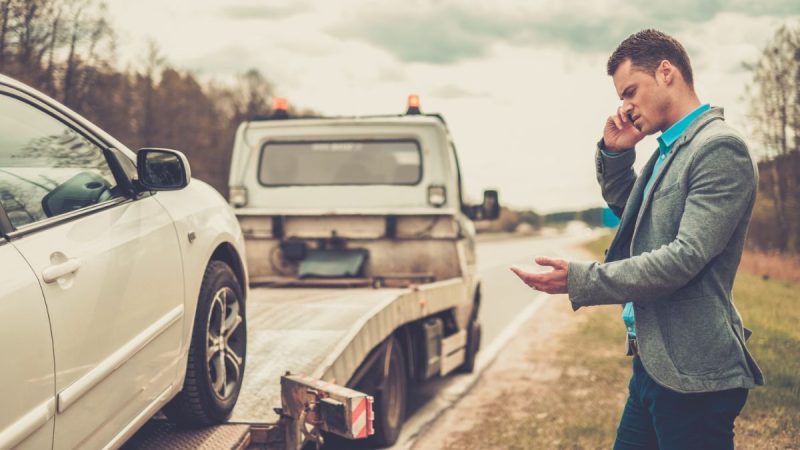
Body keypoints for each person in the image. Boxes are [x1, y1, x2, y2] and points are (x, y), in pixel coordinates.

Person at [510, 29, 763, 450]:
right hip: (655, 364)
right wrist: (616, 154)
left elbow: (683, 258)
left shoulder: (719, 149)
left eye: (630, 91)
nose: (625, 107)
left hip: (693, 376)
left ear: (666, 72)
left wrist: (581, 279)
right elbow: (636, 216)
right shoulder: (670, 149)